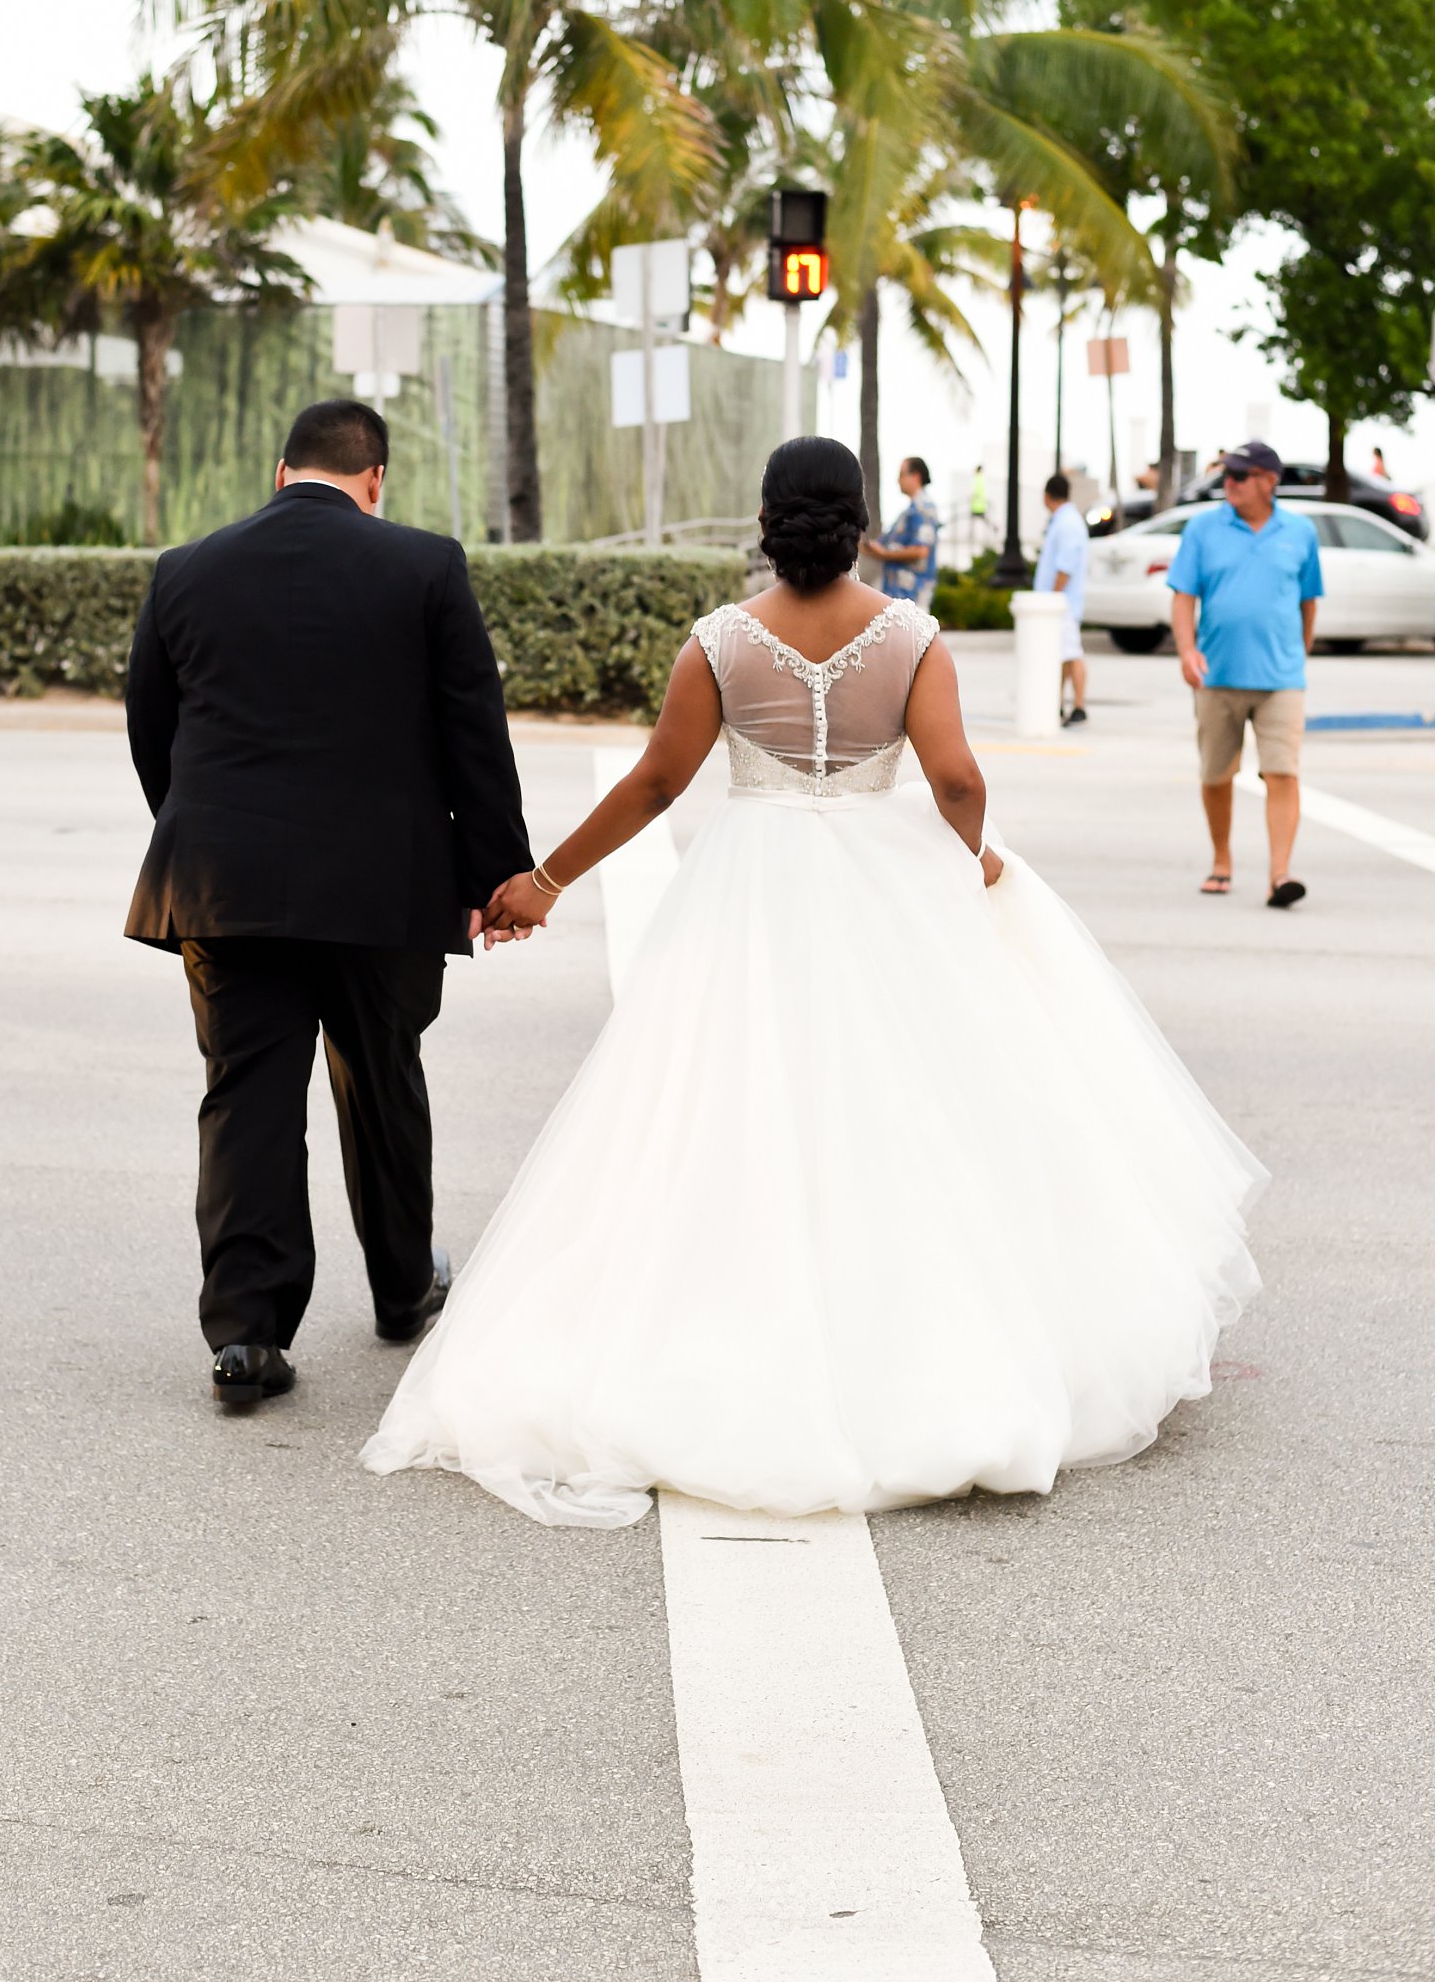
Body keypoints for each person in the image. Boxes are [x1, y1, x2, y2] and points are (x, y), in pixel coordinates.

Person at [361, 437, 1266, 1530]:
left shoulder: (722, 641)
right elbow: (959, 776)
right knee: (907, 1110)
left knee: (721, 1105)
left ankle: (724, 1314)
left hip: (752, 886)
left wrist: (545, 878)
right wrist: (964, 852)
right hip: (882, 884)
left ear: (767, 515)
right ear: (858, 516)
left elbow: (656, 781)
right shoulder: (911, 636)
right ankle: (902, 1334)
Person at [124, 399, 532, 1407]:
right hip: (382, 885)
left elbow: (151, 725)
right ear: (375, 479)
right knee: (383, 1079)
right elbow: (471, 731)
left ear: (278, 472)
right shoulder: (425, 566)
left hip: (225, 882)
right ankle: (402, 1285)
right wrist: (495, 875)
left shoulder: (186, 569)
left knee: (246, 1095)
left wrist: (203, 830)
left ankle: (248, 1336)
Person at [1166, 438, 1322, 909]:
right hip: (1216, 675)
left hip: (1281, 679)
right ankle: (1221, 860)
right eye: (1226, 475)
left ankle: (1280, 875)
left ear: (1269, 482)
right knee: (1216, 775)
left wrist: (1299, 653)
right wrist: (1187, 651)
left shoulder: (1300, 532)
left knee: (1283, 773)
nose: (1228, 484)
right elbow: (1182, 596)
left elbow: (1308, 601)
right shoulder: (1202, 529)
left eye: (1239, 476)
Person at [1035, 472, 1091, 724]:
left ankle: (1079, 705)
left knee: (1071, 654)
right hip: (1061, 603)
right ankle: (1055, 703)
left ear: (1047, 496)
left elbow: (1064, 566)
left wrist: (1053, 599)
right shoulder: (1065, 520)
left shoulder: (1067, 523)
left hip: (1062, 604)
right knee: (1060, 655)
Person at [864, 455, 940, 611]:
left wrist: (884, 553)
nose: (898, 480)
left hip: (912, 600)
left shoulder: (923, 508)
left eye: (901, 475)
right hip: (901, 599)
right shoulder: (911, 510)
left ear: (916, 476)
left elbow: (921, 551)